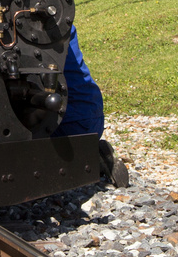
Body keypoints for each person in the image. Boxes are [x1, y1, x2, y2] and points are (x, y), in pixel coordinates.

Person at [53, 25, 129, 187]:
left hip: (67, 122)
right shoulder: (60, 20)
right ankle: (91, 153)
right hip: (89, 119)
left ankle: (85, 154)